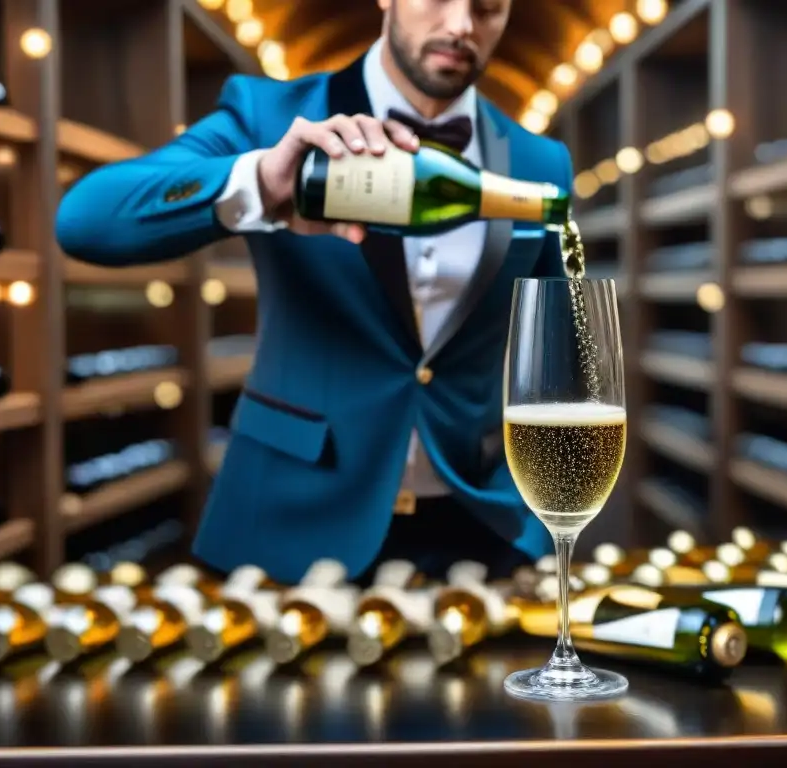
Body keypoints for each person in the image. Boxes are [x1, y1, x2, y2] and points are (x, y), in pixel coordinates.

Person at [55, 0, 574, 584]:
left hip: (484, 529)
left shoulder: (540, 161)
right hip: (291, 521)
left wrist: (548, 524)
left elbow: (557, 359)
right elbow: (85, 220)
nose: (461, 26)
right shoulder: (270, 114)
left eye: (487, 8)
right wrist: (260, 180)